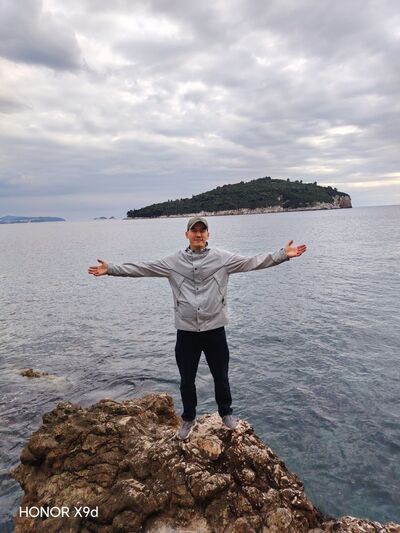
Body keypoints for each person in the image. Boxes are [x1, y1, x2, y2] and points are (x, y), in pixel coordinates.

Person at [88, 216, 307, 440]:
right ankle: (188, 418)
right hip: (186, 332)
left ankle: (226, 413)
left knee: (221, 376)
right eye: (194, 230)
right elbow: (143, 268)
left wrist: (282, 255)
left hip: (215, 330)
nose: (199, 234)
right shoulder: (173, 262)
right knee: (186, 380)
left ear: (208, 235)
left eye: (203, 230)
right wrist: (111, 268)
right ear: (187, 234)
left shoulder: (222, 259)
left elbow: (253, 262)